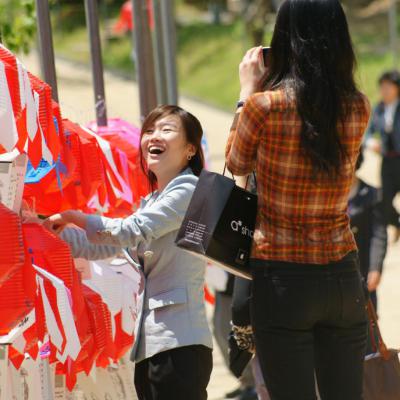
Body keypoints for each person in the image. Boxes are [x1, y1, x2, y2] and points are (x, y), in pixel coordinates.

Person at [225, 0, 371, 399]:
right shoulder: (358, 106)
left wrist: (247, 90)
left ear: (284, 39)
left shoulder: (264, 106)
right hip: (342, 274)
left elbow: (235, 163)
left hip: (282, 276)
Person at [44, 105, 213, 400]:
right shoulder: (154, 201)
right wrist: (43, 229)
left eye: (166, 130)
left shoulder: (188, 189)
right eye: (149, 130)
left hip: (179, 342)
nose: (153, 136)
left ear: (190, 150)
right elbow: (106, 245)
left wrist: (75, 217)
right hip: (154, 343)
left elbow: (130, 230)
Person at [349, 152, 387, 312]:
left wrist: (375, 268)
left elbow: (378, 234)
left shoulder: (373, 194)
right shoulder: (325, 196)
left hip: (363, 269)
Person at [365, 70, 400, 242]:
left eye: (389, 86)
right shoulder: (378, 108)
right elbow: (368, 133)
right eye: (382, 87)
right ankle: (397, 223)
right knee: (384, 201)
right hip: (387, 161)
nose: (385, 90)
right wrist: (371, 142)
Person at [212, 273, 257, 400]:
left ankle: (252, 383)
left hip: (237, 282)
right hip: (223, 284)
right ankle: (246, 382)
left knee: (235, 335)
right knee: (220, 332)